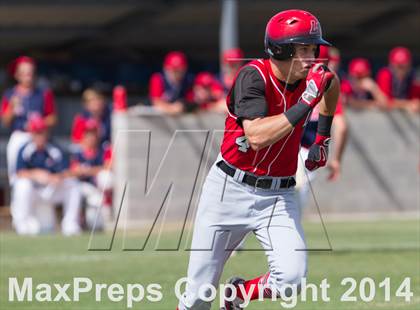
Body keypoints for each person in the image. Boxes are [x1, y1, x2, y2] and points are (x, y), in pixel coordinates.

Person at [177, 9, 339, 310]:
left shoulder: (313, 78)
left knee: (291, 279)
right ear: (281, 49)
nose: (312, 56)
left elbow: (331, 85)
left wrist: (322, 139)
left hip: (278, 194)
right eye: (303, 48)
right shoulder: (252, 76)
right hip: (228, 190)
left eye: (312, 48)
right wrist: (306, 103)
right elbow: (257, 137)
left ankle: (238, 294)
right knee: (198, 297)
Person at [11, 116, 81, 236]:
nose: (39, 136)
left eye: (42, 132)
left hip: (52, 189)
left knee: (73, 184)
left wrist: (56, 177)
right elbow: (19, 172)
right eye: (36, 133)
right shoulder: (24, 149)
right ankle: (22, 223)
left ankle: (70, 224)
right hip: (33, 191)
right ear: (32, 134)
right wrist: (36, 174)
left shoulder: (55, 148)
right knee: (22, 184)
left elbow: (68, 171)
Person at [297, 46, 348, 209]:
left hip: (280, 151)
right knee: (291, 215)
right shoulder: (328, 84)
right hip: (305, 154)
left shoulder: (291, 77)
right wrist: (336, 160)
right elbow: (341, 127)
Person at [0, 56, 57, 185]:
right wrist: (11, 107)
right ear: (17, 75)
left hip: (38, 136)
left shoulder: (43, 93)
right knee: (16, 175)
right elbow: (5, 121)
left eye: (30, 72)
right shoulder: (10, 94)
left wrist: (39, 123)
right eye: (24, 73)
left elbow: (53, 118)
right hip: (19, 135)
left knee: (43, 172)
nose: (28, 76)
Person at [70, 119, 113, 230]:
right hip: (81, 187)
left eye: (93, 134)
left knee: (106, 176)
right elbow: (72, 171)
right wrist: (79, 171)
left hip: (96, 189)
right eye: (88, 134)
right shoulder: (77, 152)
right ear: (83, 135)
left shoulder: (103, 149)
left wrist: (89, 170)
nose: (91, 137)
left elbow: (109, 166)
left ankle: (106, 208)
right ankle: (76, 220)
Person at [376, 46, 420, 113]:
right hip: (388, 114)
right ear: (391, 63)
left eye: (403, 65)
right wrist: (406, 104)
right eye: (398, 65)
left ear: (409, 64)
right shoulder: (385, 74)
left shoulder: (413, 75)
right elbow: (385, 101)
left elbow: (415, 101)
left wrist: (413, 103)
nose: (400, 68)